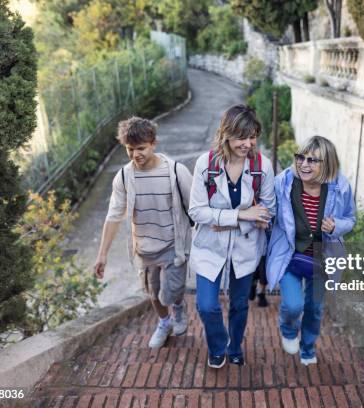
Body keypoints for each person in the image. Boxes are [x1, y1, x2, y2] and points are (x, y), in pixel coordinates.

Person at [93, 116, 193, 348]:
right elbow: (113, 215)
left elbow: (195, 207)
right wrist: (102, 255)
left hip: (173, 246)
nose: (136, 154)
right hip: (144, 249)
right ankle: (164, 322)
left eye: (141, 148)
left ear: (153, 144)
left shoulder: (176, 171)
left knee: (168, 294)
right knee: (152, 293)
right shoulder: (124, 177)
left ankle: (177, 306)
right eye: (130, 149)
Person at [188, 104, 275, 368]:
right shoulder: (206, 164)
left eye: (252, 136)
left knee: (239, 304)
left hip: (246, 248)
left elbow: (267, 210)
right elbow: (196, 211)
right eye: (241, 137)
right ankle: (217, 346)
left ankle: (235, 345)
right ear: (226, 134)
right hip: (209, 247)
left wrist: (226, 220)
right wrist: (242, 216)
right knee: (206, 305)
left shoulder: (262, 166)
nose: (248, 143)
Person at [266, 135, 356, 365]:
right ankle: (287, 329)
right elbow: (267, 210)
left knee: (314, 309)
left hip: (322, 259)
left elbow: (351, 219)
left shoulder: (340, 186)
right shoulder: (283, 183)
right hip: (289, 257)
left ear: (327, 164)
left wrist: (336, 225)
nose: (304, 164)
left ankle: (308, 347)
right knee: (293, 305)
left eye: (313, 160)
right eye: (301, 157)